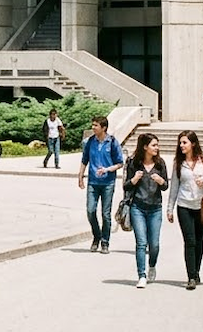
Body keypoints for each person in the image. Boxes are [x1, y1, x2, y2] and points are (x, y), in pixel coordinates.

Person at [167, 130, 203, 290]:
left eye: (184, 142)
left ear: (193, 144)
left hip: (202, 206)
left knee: (200, 242)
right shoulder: (178, 163)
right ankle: (191, 277)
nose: (181, 145)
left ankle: (196, 270)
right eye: (180, 143)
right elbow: (174, 186)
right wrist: (169, 208)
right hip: (184, 206)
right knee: (190, 241)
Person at [123, 133, 168, 289]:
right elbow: (126, 186)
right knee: (141, 243)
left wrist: (161, 181)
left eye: (157, 145)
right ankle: (141, 275)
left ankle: (152, 266)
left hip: (155, 208)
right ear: (145, 147)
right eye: (154, 145)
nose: (157, 148)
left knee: (154, 244)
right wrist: (134, 179)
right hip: (138, 207)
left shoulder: (160, 163)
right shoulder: (133, 163)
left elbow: (165, 186)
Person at [79, 116, 124, 254]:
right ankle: (96, 236)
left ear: (103, 128)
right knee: (90, 211)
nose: (93, 128)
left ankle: (105, 241)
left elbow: (120, 163)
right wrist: (80, 176)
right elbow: (84, 159)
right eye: (92, 125)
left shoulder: (112, 142)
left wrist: (107, 169)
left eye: (96, 125)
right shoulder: (90, 142)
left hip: (108, 183)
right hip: (93, 182)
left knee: (106, 214)